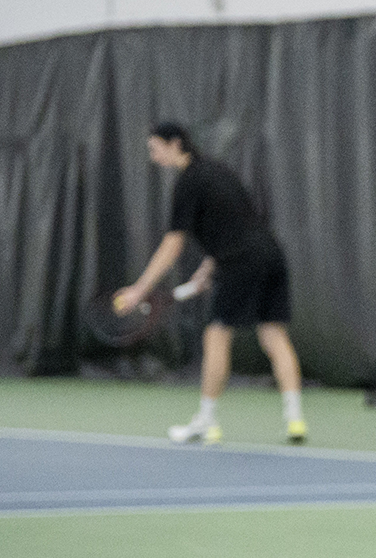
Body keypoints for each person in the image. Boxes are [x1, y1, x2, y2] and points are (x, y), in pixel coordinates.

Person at [115, 122, 308, 446]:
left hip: (241, 263)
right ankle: (295, 419)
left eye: (154, 148)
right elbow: (239, 224)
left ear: (175, 144)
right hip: (271, 255)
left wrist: (139, 289)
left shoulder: (188, 182)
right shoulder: (218, 171)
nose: (153, 156)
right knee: (273, 334)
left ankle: (206, 420)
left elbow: (173, 244)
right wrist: (207, 268)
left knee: (217, 335)